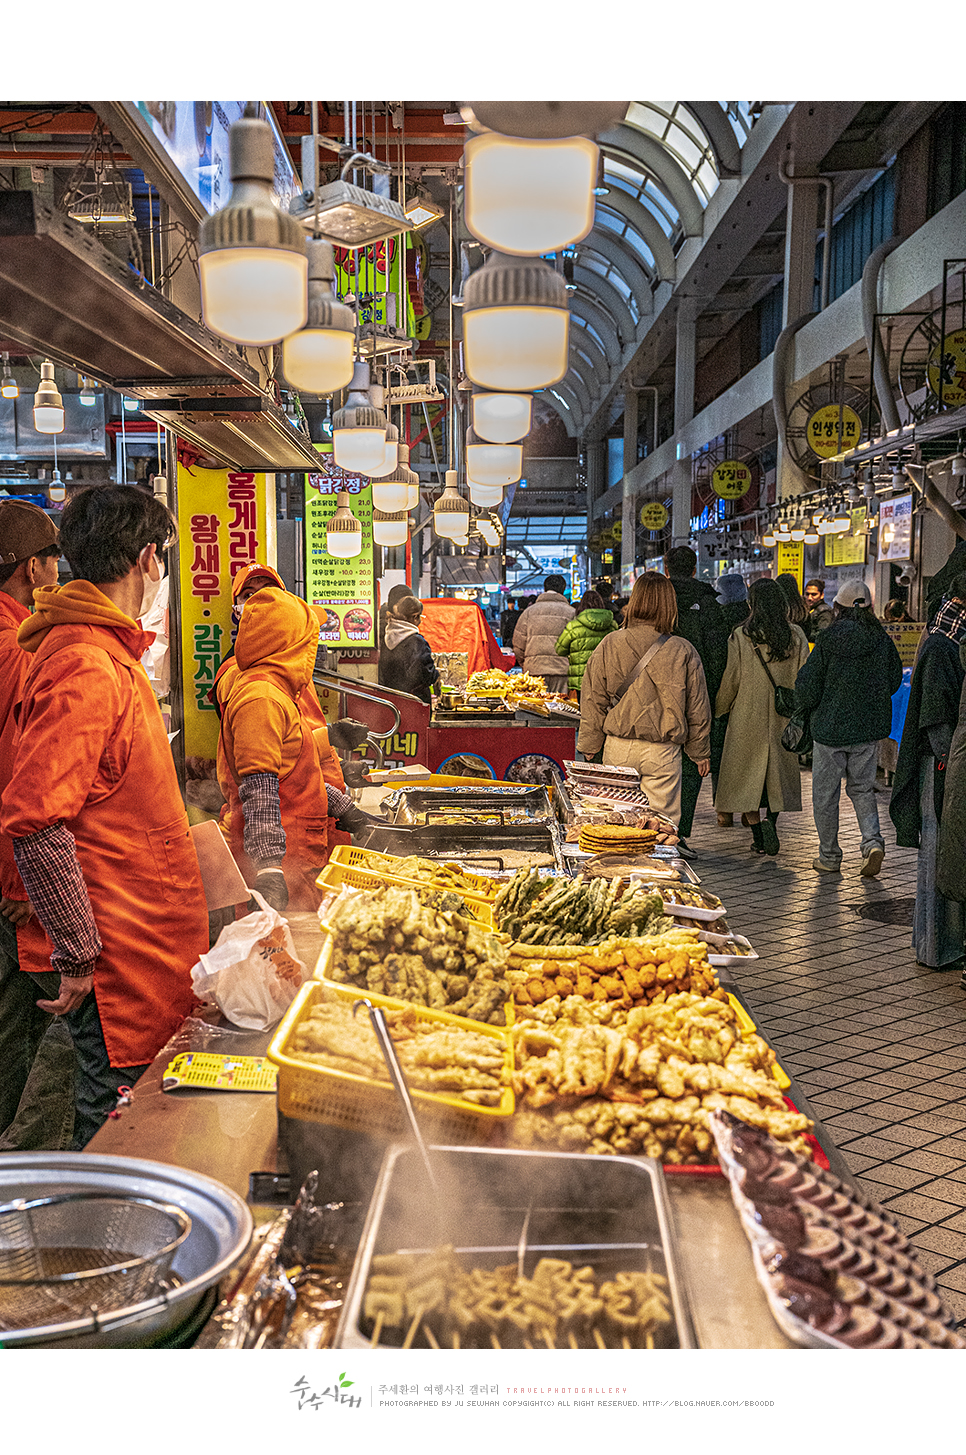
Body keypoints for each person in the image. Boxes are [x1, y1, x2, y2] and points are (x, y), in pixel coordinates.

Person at [0, 485, 208, 1150]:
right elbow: (33, 819)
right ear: (149, 558)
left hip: (147, 937)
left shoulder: (105, 651)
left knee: (127, 1112)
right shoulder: (87, 661)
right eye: (164, 560)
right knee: (114, 1123)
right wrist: (78, 953)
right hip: (120, 952)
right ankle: (104, 1251)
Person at [0, 501, 75, 1151]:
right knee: (25, 1041)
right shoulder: (18, 652)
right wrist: (26, 888)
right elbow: (23, 778)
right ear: (33, 569)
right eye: (54, 560)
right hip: (11, 878)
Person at [578, 571, 711, 826]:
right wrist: (699, 751)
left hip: (617, 747)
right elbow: (697, 708)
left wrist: (590, 744)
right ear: (669, 605)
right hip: (662, 751)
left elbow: (593, 699)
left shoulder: (610, 643)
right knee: (661, 828)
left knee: (617, 825)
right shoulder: (682, 649)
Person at [794, 578, 903, 877]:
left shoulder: (829, 639)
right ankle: (872, 842)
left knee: (825, 794)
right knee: (862, 789)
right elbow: (893, 681)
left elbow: (808, 686)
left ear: (839, 607)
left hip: (829, 730)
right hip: (867, 730)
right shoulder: (881, 640)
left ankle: (829, 856)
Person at [889, 576, 966, 968]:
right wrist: (951, 759)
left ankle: (935, 944)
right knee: (938, 853)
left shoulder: (941, 637)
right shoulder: (944, 645)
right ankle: (937, 948)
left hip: (943, 762)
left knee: (942, 853)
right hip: (939, 766)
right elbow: (937, 721)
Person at [714, 578, 811, 855]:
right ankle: (771, 822)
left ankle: (758, 833)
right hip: (784, 717)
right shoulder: (796, 636)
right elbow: (804, 676)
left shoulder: (742, 635)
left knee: (747, 778)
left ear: (751, 604)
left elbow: (731, 678)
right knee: (778, 778)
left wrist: (720, 709)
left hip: (747, 716)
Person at [663, 546, 729, 849]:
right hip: (700, 693)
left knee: (658, 761)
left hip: (659, 692)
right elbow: (719, 655)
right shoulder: (709, 604)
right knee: (692, 765)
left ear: (666, 569)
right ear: (694, 569)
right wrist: (713, 696)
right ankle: (680, 831)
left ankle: (656, 828)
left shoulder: (656, 600)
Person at [512, 575, 575, 692]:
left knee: (536, 707)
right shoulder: (571, 613)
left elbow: (518, 645)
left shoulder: (528, 612)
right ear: (563, 589)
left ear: (545, 588)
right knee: (561, 707)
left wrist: (526, 663)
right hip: (562, 671)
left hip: (534, 670)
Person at [378, 593, 440, 703]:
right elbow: (425, 674)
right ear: (415, 617)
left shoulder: (387, 638)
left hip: (391, 700)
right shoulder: (417, 642)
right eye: (420, 617)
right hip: (414, 703)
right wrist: (436, 675)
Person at [553, 588, 618, 693]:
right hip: (605, 678)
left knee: (580, 708)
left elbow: (560, 649)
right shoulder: (612, 625)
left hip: (580, 680)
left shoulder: (574, 626)